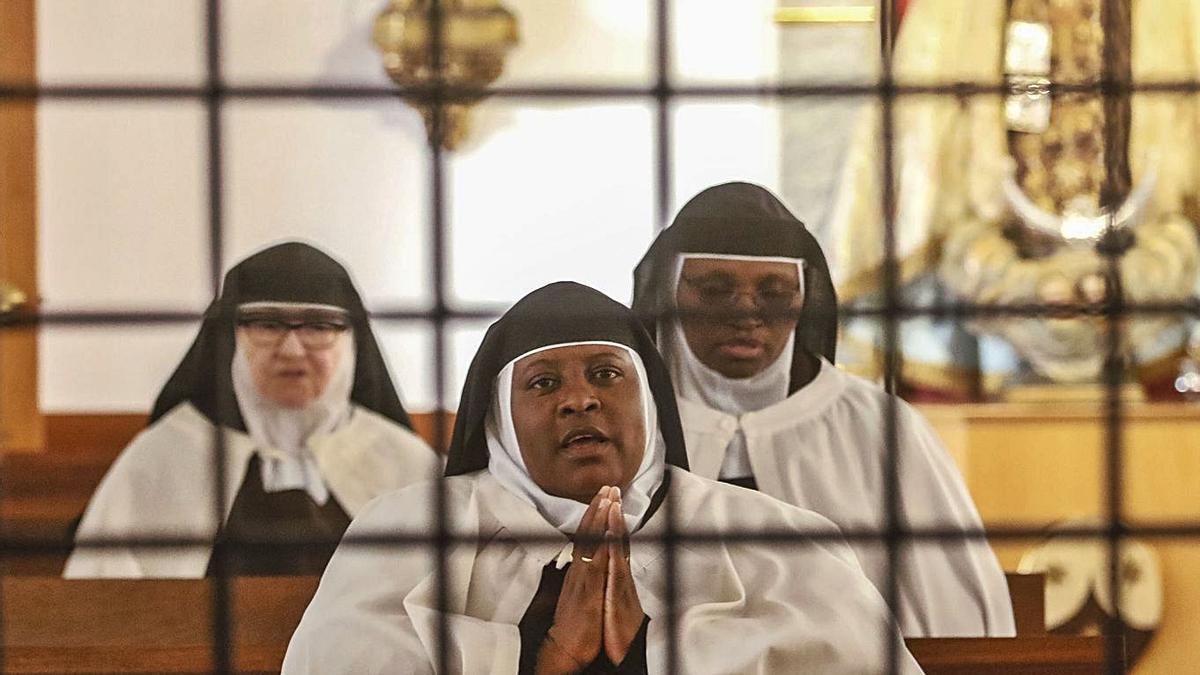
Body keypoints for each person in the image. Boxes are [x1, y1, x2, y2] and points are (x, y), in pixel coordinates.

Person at [283, 281, 922, 674]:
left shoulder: (774, 537)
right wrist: (552, 658)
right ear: (498, 420)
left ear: (649, 398)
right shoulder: (407, 531)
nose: (580, 401)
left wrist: (644, 652)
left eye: (606, 375)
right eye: (544, 383)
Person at [631, 182, 1014, 637]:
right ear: (670, 294)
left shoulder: (879, 428)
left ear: (803, 299)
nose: (747, 314)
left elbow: (953, 619)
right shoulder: (628, 425)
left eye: (774, 293)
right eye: (716, 290)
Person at [64, 242, 440, 578]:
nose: (292, 349)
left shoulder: (404, 464)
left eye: (318, 326)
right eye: (266, 324)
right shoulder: (162, 457)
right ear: (230, 340)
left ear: (353, 343)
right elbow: (100, 603)